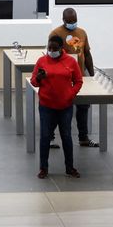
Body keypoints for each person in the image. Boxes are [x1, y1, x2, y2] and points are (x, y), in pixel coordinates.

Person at [31, 35, 83, 179]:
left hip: (65, 106)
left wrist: (70, 94)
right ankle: (43, 168)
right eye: (49, 48)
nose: (51, 51)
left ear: (61, 49)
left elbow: (78, 81)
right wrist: (39, 78)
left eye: (54, 48)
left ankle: (70, 167)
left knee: (66, 136)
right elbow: (34, 82)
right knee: (45, 136)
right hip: (46, 106)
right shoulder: (41, 61)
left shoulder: (71, 62)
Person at [49, 8, 98, 147]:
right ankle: (50, 138)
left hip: (80, 75)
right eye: (69, 21)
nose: (72, 23)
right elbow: (52, 54)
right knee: (58, 108)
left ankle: (83, 137)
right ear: (63, 20)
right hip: (63, 77)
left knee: (83, 107)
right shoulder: (56, 33)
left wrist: (91, 74)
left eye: (74, 21)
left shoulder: (82, 32)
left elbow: (86, 54)